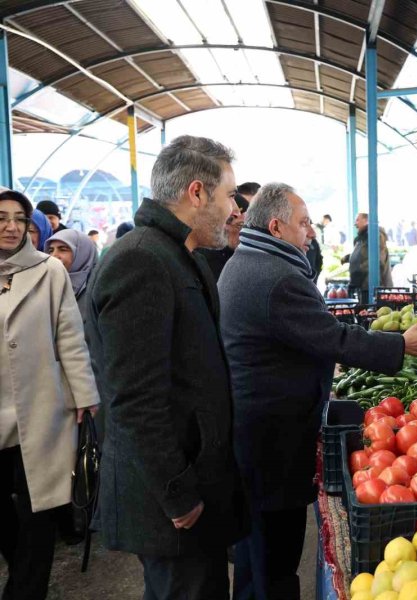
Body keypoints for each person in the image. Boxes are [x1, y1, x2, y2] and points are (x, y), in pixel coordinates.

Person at [218, 183, 417, 600]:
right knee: (274, 559)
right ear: (276, 226)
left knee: (254, 554)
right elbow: (333, 338)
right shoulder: (277, 277)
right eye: (303, 224)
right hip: (272, 439)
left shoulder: (244, 261)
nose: (310, 232)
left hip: (252, 429)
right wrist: (401, 344)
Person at [85, 135, 248, 599]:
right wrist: (178, 493)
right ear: (196, 193)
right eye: (229, 196)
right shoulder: (142, 260)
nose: (235, 210)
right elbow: (135, 398)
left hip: (194, 483)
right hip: (171, 503)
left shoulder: (177, 255)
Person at [0, 190, 100, 599]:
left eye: (19, 219)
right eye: (2, 218)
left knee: (39, 511)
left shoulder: (48, 271)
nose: (11, 226)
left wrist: (84, 397)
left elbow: (70, 338)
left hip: (43, 407)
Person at [45, 229, 99, 321]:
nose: (53, 256)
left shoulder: (97, 291)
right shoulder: (44, 284)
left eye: (63, 249)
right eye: (51, 250)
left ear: (83, 254)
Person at [197, 193, 249, 281]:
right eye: (240, 225)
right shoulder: (205, 260)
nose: (243, 232)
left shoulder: (245, 257)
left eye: (247, 226)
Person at [343, 212, 392, 298]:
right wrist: (349, 258)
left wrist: (358, 272)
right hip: (364, 286)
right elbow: (363, 255)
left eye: (357, 220)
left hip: (372, 287)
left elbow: (377, 260)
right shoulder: (362, 238)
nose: (355, 223)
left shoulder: (376, 236)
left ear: (366, 221)